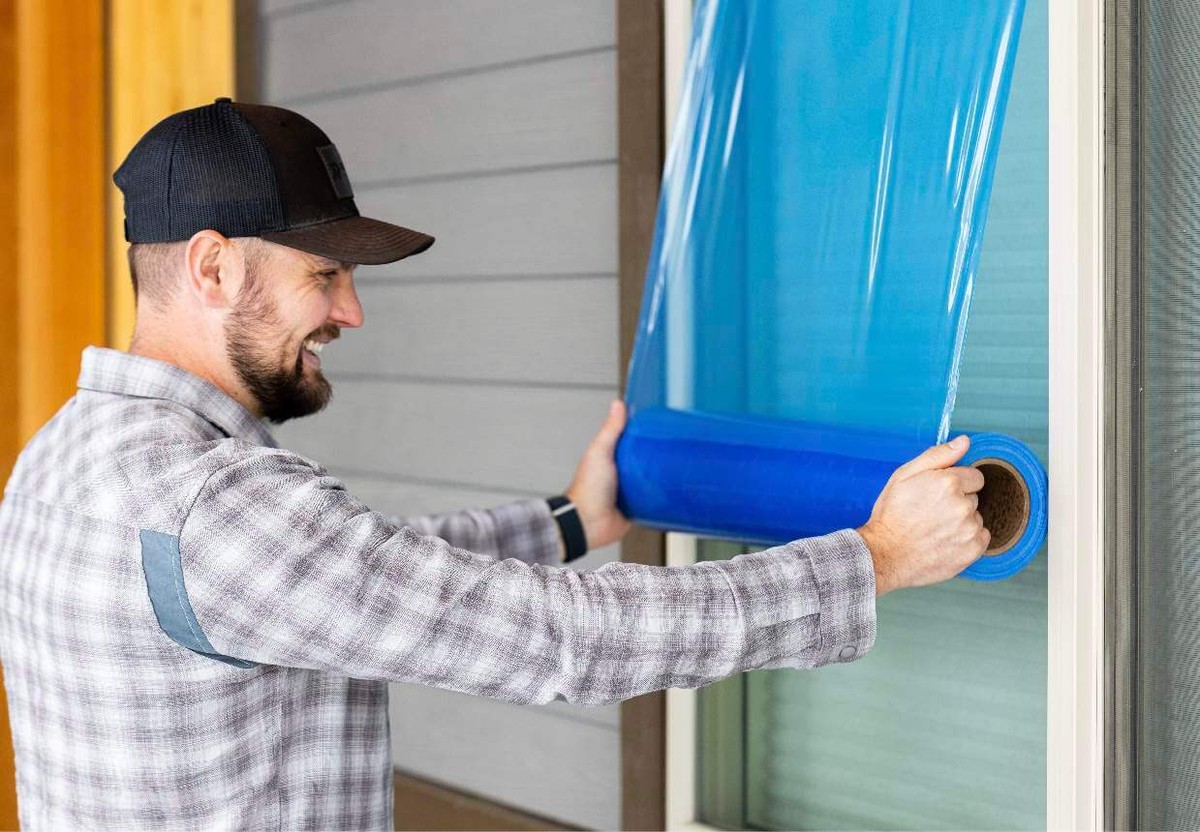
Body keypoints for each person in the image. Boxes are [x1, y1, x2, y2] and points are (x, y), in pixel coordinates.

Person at [0, 99, 989, 830]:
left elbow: (364, 572)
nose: (350, 312)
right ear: (214, 267)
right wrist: (871, 560)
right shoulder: (219, 506)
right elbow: (556, 639)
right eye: (326, 274)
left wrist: (574, 520)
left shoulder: (62, 460)